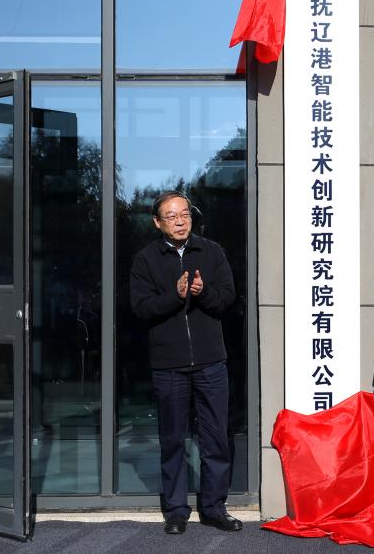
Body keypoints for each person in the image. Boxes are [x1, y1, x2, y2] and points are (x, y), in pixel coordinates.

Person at [130, 191, 242, 535]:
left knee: (215, 438)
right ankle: (176, 510)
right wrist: (175, 296)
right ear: (157, 222)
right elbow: (141, 308)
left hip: (211, 362)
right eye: (171, 216)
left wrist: (202, 292)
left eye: (185, 214)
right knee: (173, 440)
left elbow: (226, 299)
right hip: (169, 365)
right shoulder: (146, 259)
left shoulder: (211, 251)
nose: (180, 221)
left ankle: (214, 507)